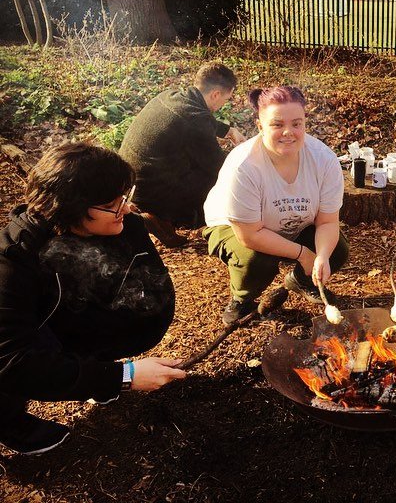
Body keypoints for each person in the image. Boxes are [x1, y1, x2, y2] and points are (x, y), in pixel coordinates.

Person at [0, 143, 187, 455]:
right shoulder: (11, 265)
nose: (126, 209)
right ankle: (10, 423)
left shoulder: (115, 226)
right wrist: (124, 377)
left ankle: (89, 376)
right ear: (73, 207)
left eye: (125, 197)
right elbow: (11, 362)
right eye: (113, 204)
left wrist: (103, 375)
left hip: (49, 328)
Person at [203, 86, 349, 325]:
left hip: (291, 223)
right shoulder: (244, 166)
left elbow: (327, 221)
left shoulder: (324, 160)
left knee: (337, 250)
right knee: (257, 260)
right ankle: (242, 299)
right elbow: (250, 235)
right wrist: (303, 254)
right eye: (277, 124)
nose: (288, 132)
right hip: (237, 229)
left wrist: (321, 256)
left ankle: (302, 281)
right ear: (260, 127)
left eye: (296, 123)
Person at [119, 62, 246, 247]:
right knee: (220, 180)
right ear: (216, 94)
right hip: (151, 190)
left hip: (130, 181)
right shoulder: (196, 119)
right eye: (225, 100)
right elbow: (219, 167)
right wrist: (244, 156)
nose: (223, 104)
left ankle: (160, 216)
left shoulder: (170, 96)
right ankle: (163, 217)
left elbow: (193, 119)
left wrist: (227, 130)